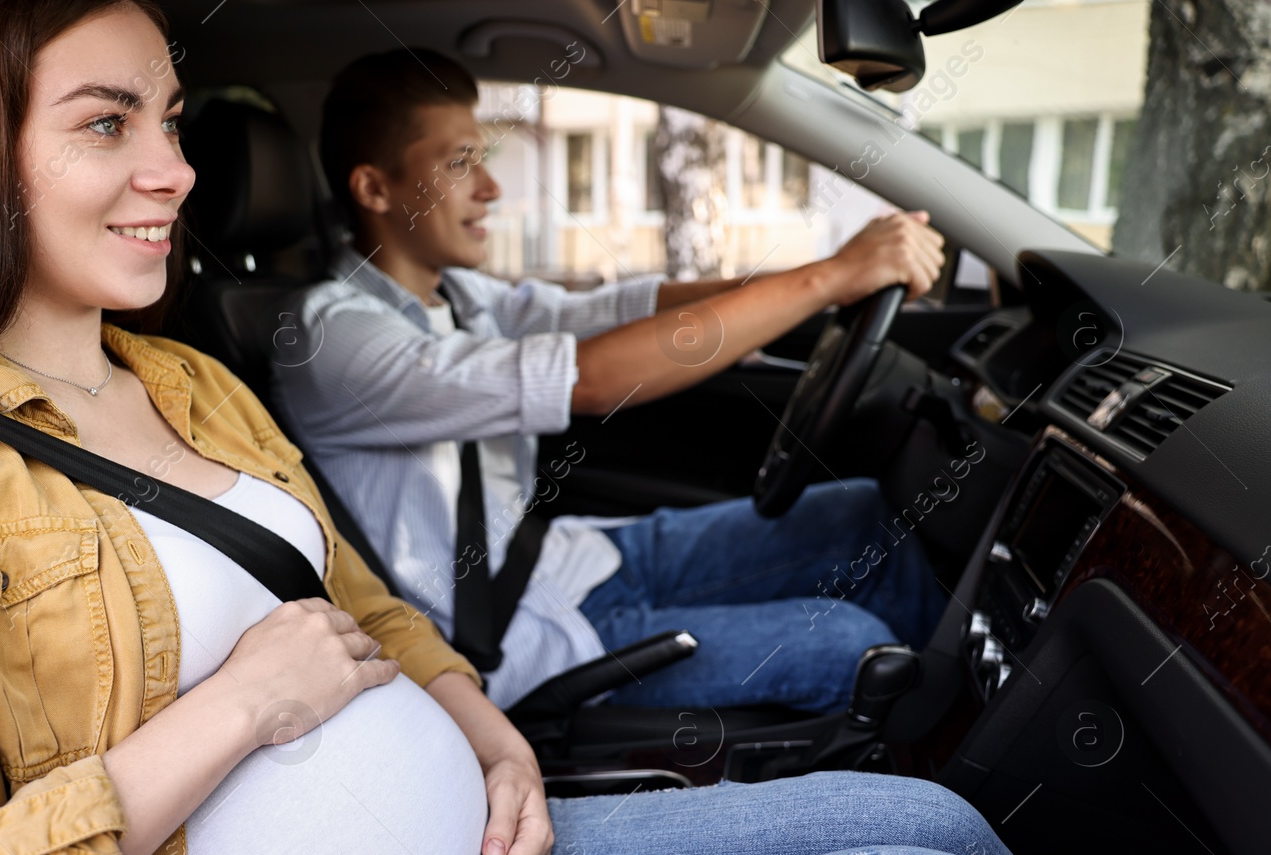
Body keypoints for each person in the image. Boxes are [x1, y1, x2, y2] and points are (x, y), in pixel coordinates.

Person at [0, 3, 1185, 855]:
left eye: (170, 120)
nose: (175, 168)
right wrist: (233, 711)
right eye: (109, 124)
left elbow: (376, 610)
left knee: (935, 822)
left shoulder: (185, 380)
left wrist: (489, 744)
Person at [269, 50, 951, 713]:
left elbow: (622, 309)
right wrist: (827, 280)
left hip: (565, 561)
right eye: (459, 163)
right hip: (515, 639)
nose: (491, 186)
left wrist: (825, 278)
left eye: (481, 157)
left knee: (859, 516)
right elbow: (588, 379)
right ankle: (944, 763)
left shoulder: (462, 297)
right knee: (851, 644)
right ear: (373, 188)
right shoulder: (330, 335)